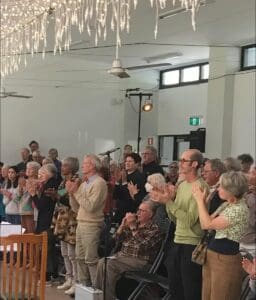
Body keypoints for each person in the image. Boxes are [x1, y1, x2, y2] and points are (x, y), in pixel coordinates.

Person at [150, 149, 209, 300]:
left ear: (195, 164)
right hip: (177, 240)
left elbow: (190, 220)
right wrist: (167, 200)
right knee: (175, 288)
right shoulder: (182, 185)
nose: (180, 163)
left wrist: (168, 202)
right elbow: (175, 218)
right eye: (180, 160)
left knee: (190, 290)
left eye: (184, 160)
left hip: (191, 243)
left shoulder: (200, 187)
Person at [192, 171, 249, 300]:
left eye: (221, 186)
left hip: (225, 258)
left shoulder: (238, 209)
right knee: (207, 295)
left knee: (222, 295)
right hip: (213, 253)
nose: (218, 188)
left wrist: (200, 202)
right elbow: (205, 221)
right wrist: (204, 201)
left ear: (231, 190)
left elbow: (207, 224)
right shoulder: (227, 204)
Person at [94, 200, 164, 300]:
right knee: (102, 262)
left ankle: (108, 298)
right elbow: (116, 241)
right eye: (138, 210)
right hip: (123, 257)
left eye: (142, 211)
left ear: (151, 214)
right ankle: (98, 296)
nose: (138, 213)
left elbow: (141, 247)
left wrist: (132, 228)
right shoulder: (136, 224)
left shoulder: (154, 229)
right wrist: (122, 226)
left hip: (140, 260)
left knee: (109, 265)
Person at [66, 154, 107, 287]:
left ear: (93, 166)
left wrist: (76, 192)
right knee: (79, 257)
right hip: (81, 222)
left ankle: (96, 290)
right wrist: (71, 194)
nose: (82, 166)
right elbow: (76, 208)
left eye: (85, 163)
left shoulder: (99, 183)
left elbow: (91, 207)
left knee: (91, 259)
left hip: (92, 224)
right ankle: (83, 288)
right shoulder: (84, 183)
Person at [51, 157, 80, 296]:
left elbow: (71, 201)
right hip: (62, 217)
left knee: (72, 253)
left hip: (72, 219)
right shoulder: (63, 181)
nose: (62, 167)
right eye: (62, 165)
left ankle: (76, 281)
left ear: (73, 167)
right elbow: (61, 197)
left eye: (65, 165)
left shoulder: (76, 180)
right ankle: (68, 277)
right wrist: (55, 196)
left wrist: (57, 196)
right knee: (64, 252)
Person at [27, 163, 59, 284]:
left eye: (41, 174)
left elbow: (41, 206)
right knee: (46, 249)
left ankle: (48, 276)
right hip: (44, 220)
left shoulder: (50, 184)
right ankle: (49, 274)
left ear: (48, 174)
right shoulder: (47, 184)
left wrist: (33, 194)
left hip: (48, 221)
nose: (39, 176)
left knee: (47, 249)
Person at [113, 152, 146, 224]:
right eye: (126, 161)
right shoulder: (124, 175)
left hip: (130, 213)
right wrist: (117, 182)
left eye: (130, 161)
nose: (127, 163)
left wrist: (124, 182)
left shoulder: (139, 177)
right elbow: (115, 196)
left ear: (137, 164)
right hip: (120, 212)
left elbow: (129, 198)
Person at [17, 161, 41, 233]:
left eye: (31, 169)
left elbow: (36, 195)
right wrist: (20, 189)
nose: (28, 170)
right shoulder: (23, 181)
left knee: (31, 233)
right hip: (22, 210)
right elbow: (17, 198)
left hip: (31, 211)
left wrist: (29, 185)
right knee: (23, 233)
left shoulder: (38, 182)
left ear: (37, 171)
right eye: (27, 168)